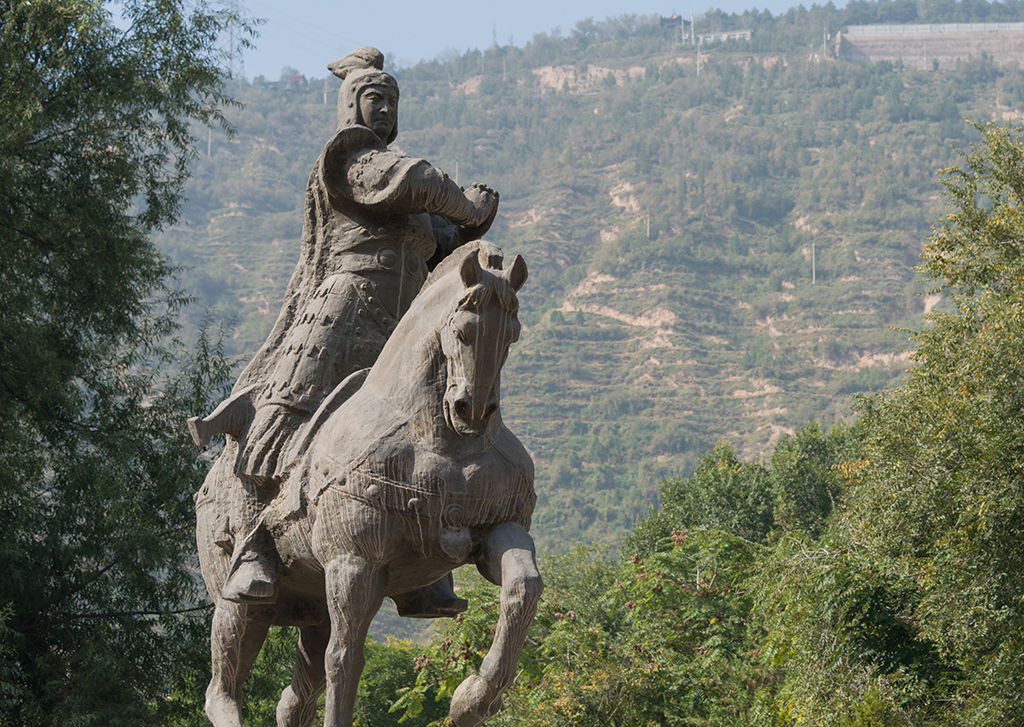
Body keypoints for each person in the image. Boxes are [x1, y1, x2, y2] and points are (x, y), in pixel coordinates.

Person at [189, 47, 498, 609]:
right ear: (352, 103)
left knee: (429, 423)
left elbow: (442, 241)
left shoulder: (407, 198)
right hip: (345, 307)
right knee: (284, 413)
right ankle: (255, 548)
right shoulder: (352, 156)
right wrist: (466, 207)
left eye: (393, 102)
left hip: (401, 323)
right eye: (375, 98)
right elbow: (417, 180)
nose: (385, 110)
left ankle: (424, 569)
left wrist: (472, 226)